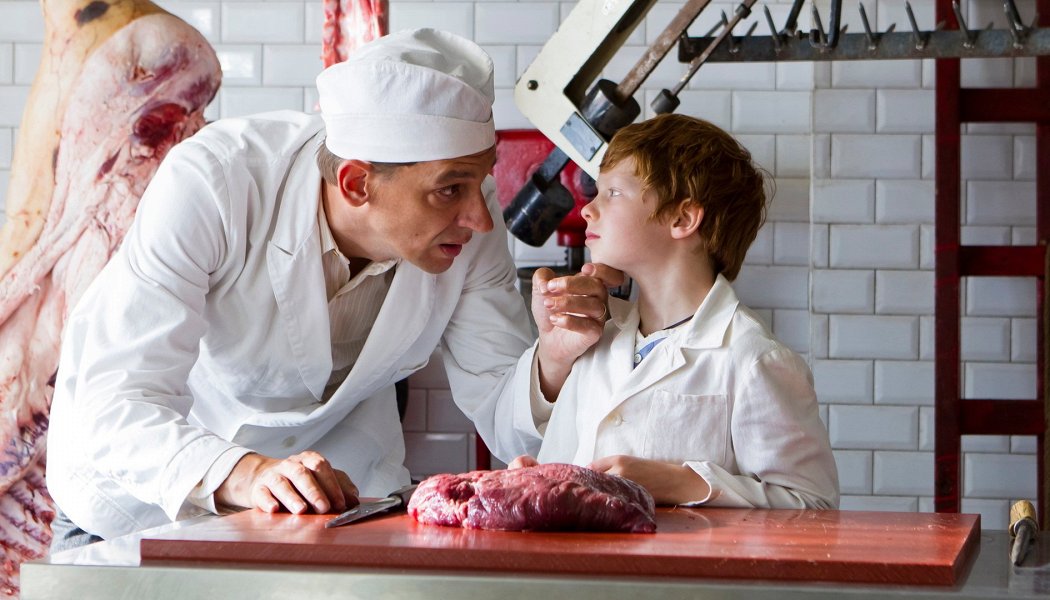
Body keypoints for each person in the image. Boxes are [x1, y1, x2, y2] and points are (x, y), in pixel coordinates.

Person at [46, 28, 617, 549]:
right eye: (449, 189)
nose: (481, 218)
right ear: (356, 183)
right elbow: (118, 402)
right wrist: (249, 472)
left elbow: (502, 408)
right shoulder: (216, 182)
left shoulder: (467, 221)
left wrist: (553, 358)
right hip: (140, 500)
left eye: (481, 178)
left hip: (330, 508)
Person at [494, 113, 839, 509]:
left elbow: (814, 505)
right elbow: (554, 456)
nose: (587, 209)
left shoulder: (753, 358)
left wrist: (682, 483)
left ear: (682, 218)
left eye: (613, 193)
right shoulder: (597, 338)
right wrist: (538, 477)